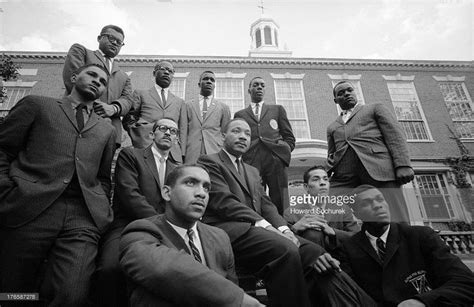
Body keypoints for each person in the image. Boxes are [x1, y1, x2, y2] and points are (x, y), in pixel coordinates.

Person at [198, 118, 377, 307]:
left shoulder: (251, 170)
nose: (243, 136)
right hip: (231, 231)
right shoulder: (209, 162)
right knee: (287, 249)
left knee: (318, 255)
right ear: (223, 136)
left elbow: (267, 205)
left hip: (259, 231)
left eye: (248, 134)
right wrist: (267, 226)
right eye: (236, 131)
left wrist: (285, 230)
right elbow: (225, 202)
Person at [0, 64, 116, 306]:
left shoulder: (106, 129)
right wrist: (6, 191)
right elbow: (4, 149)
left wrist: (100, 204)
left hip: (82, 216)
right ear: (74, 77)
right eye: (92, 75)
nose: (97, 81)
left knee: (72, 294)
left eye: (103, 81)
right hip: (29, 206)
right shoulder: (37, 105)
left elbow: (104, 177)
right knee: (12, 292)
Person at [119, 165, 264, 307]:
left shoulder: (220, 237)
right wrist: (240, 299)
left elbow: (232, 284)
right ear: (166, 193)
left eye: (206, 188)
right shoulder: (140, 232)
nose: (201, 193)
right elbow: (164, 270)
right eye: (190, 183)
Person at [338, 185, 474, 307]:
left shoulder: (420, 236)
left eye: (380, 199)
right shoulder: (348, 249)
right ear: (356, 213)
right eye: (366, 203)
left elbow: (465, 282)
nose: (378, 205)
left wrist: (422, 301)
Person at [93, 118, 180, 307]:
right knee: (110, 269)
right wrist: (162, 225)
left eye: (173, 131)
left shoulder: (178, 170)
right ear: (152, 134)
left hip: (164, 230)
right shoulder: (131, 155)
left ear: (176, 140)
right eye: (163, 128)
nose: (168, 133)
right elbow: (130, 195)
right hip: (127, 225)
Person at [327, 80, 415, 223]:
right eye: (341, 93)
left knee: (395, 216)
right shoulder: (332, 127)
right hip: (345, 177)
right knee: (329, 205)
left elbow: (395, 135)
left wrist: (403, 164)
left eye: (349, 90)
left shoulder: (374, 109)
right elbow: (331, 154)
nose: (346, 94)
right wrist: (324, 172)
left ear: (355, 92)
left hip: (379, 170)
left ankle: (402, 243)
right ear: (335, 100)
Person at [63, 24, 132, 147]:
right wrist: (98, 106)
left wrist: (113, 109)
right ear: (99, 38)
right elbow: (73, 78)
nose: (115, 43)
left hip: (110, 130)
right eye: (111, 38)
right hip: (77, 119)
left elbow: (127, 100)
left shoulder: (124, 76)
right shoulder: (81, 52)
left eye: (119, 42)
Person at [234, 77, 295, 214]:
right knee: (253, 196)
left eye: (262, 85)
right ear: (249, 90)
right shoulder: (240, 114)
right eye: (255, 85)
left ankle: (284, 227)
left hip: (275, 159)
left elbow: (289, 137)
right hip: (251, 159)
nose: (259, 87)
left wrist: (283, 151)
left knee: (280, 196)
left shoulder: (277, 110)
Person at [284, 165, 359, 252]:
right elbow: (282, 244)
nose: (322, 183)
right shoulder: (290, 213)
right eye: (316, 179)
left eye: (325, 179)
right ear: (306, 187)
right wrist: (295, 228)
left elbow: (358, 237)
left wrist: (333, 232)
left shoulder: (343, 209)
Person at [124, 61, 187, 163]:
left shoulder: (179, 102)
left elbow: (182, 129)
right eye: (163, 69)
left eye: (170, 71)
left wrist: (181, 152)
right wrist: (140, 138)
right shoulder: (140, 94)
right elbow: (129, 120)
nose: (167, 72)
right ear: (154, 73)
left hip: (172, 153)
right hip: (145, 148)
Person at [184, 70, 231, 163]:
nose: (209, 81)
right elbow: (184, 131)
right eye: (205, 79)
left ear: (214, 85)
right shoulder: (187, 105)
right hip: (192, 152)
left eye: (212, 80)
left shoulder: (223, 108)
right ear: (199, 84)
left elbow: (225, 133)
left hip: (215, 152)